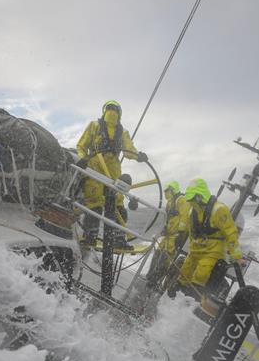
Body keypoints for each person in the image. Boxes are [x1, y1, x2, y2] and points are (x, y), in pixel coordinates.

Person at [76, 100, 147, 247]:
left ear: (104, 110)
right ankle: (119, 239)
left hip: (95, 167)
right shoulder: (123, 132)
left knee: (93, 203)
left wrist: (83, 159)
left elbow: (81, 145)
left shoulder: (94, 126)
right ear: (120, 113)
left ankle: (90, 237)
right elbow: (129, 150)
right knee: (117, 202)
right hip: (112, 170)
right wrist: (138, 156)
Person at [175, 178, 246, 298]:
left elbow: (231, 234)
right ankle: (176, 297)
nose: (191, 202)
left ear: (199, 197)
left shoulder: (219, 210)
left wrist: (237, 257)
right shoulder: (192, 212)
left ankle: (192, 301)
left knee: (201, 276)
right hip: (195, 250)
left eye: (192, 199)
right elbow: (192, 233)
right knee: (184, 273)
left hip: (213, 252)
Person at [146, 180, 189, 289]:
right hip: (168, 235)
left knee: (165, 259)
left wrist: (181, 233)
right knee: (157, 254)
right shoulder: (170, 203)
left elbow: (185, 217)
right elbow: (168, 218)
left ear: (172, 190)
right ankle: (150, 277)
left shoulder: (182, 200)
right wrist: (164, 228)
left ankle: (155, 281)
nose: (165, 193)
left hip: (175, 236)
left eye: (167, 191)